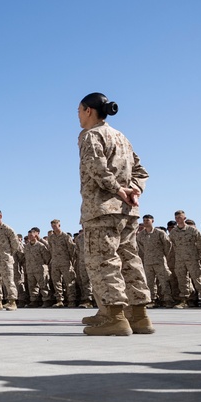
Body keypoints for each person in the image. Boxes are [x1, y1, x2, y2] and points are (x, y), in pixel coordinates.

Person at [76, 92, 152, 335]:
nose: (78, 116)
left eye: (79, 111)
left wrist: (119, 190)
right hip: (128, 212)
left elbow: (96, 167)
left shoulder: (90, 135)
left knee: (103, 261)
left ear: (89, 110)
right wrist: (135, 191)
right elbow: (141, 170)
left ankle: (114, 317)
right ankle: (139, 316)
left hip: (102, 210)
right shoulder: (121, 137)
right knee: (129, 260)